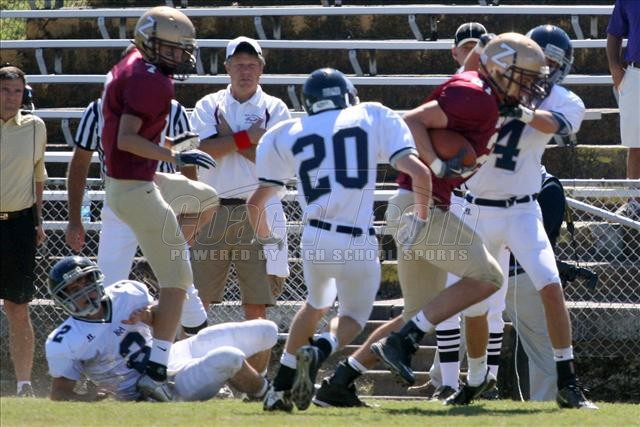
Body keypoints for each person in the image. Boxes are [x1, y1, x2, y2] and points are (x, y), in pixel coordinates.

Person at [311, 33, 542, 409]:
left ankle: (338, 383)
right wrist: (435, 164)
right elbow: (410, 122)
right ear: (502, 70)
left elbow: (471, 69)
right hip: (420, 208)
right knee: (489, 277)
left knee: (414, 313)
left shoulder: (481, 92)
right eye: (525, 77)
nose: (530, 86)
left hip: (415, 207)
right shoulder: (477, 97)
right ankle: (403, 341)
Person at [248, 68, 432, 412]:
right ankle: (319, 350)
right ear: (347, 95)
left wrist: (268, 241)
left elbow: (255, 203)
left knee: (315, 303)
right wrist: (420, 220)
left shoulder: (286, 132)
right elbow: (420, 173)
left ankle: (280, 389)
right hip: (357, 239)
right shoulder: (371, 114)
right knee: (353, 317)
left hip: (314, 236)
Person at [432, 25, 596, 409]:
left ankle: (568, 382)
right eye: (536, 60)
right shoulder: (485, 90)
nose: (541, 69)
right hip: (476, 209)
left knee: (550, 285)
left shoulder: (563, 99)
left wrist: (520, 110)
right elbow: (454, 94)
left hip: (523, 209)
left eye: (549, 63)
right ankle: (475, 379)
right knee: (476, 307)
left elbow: (554, 124)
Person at [100, 6, 218, 401]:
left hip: (137, 181)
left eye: (182, 49)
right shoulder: (151, 82)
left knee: (207, 198)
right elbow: (127, 139)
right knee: (179, 281)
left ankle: (168, 253)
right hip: (134, 189)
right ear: (149, 44)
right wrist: (175, 155)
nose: (180, 56)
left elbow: (153, 138)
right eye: (172, 49)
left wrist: (176, 155)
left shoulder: (133, 64)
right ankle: (155, 371)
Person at [189, 36, 291, 375]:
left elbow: (273, 163)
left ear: (261, 68)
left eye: (251, 64)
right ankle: (192, 374)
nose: (245, 71)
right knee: (197, 301)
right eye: (239, 64)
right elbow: (203, 150)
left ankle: (254, 382)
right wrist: (249, 137)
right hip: (212, 208)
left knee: (257, 305)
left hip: (259, 209)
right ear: (227, 67)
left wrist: (228, 138)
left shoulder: (276, 108)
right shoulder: (208, 104)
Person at [65, 97, 209, 336]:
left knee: (181, 284)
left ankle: (200, 346)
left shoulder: (175, 110)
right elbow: (80, 163)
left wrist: (190, 216)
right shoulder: (98, 110)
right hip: (119, 204)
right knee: (108, 286)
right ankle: (108, 352)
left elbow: (188, 164)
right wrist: (74, 219)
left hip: (163, 202)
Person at [44, 256, 278, 402]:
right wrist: (87, 398)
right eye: (74, 289)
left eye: (86, 281)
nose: (85, 291)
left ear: (97, 278)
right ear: (63, 298)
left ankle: (253, 394)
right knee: (229, 357)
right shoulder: (64, 339)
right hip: (154, 387)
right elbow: (59, 393)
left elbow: (164, 316)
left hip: (170, 356)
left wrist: (150, 314)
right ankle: (269, 395)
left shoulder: (127, 292)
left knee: (267, 331)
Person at [0, 64, 48, 398]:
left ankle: (24, 385)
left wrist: (38, 220)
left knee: (18, 306)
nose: (11, 97)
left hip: (19, 225)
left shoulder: (35, 127)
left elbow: (38, 175)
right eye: (5, 90)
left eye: (17, 91)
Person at [607, 0, 640, 220]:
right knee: (637, 145)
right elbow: (614, 34)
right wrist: (615, 69)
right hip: (637, 75)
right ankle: (635, 204)